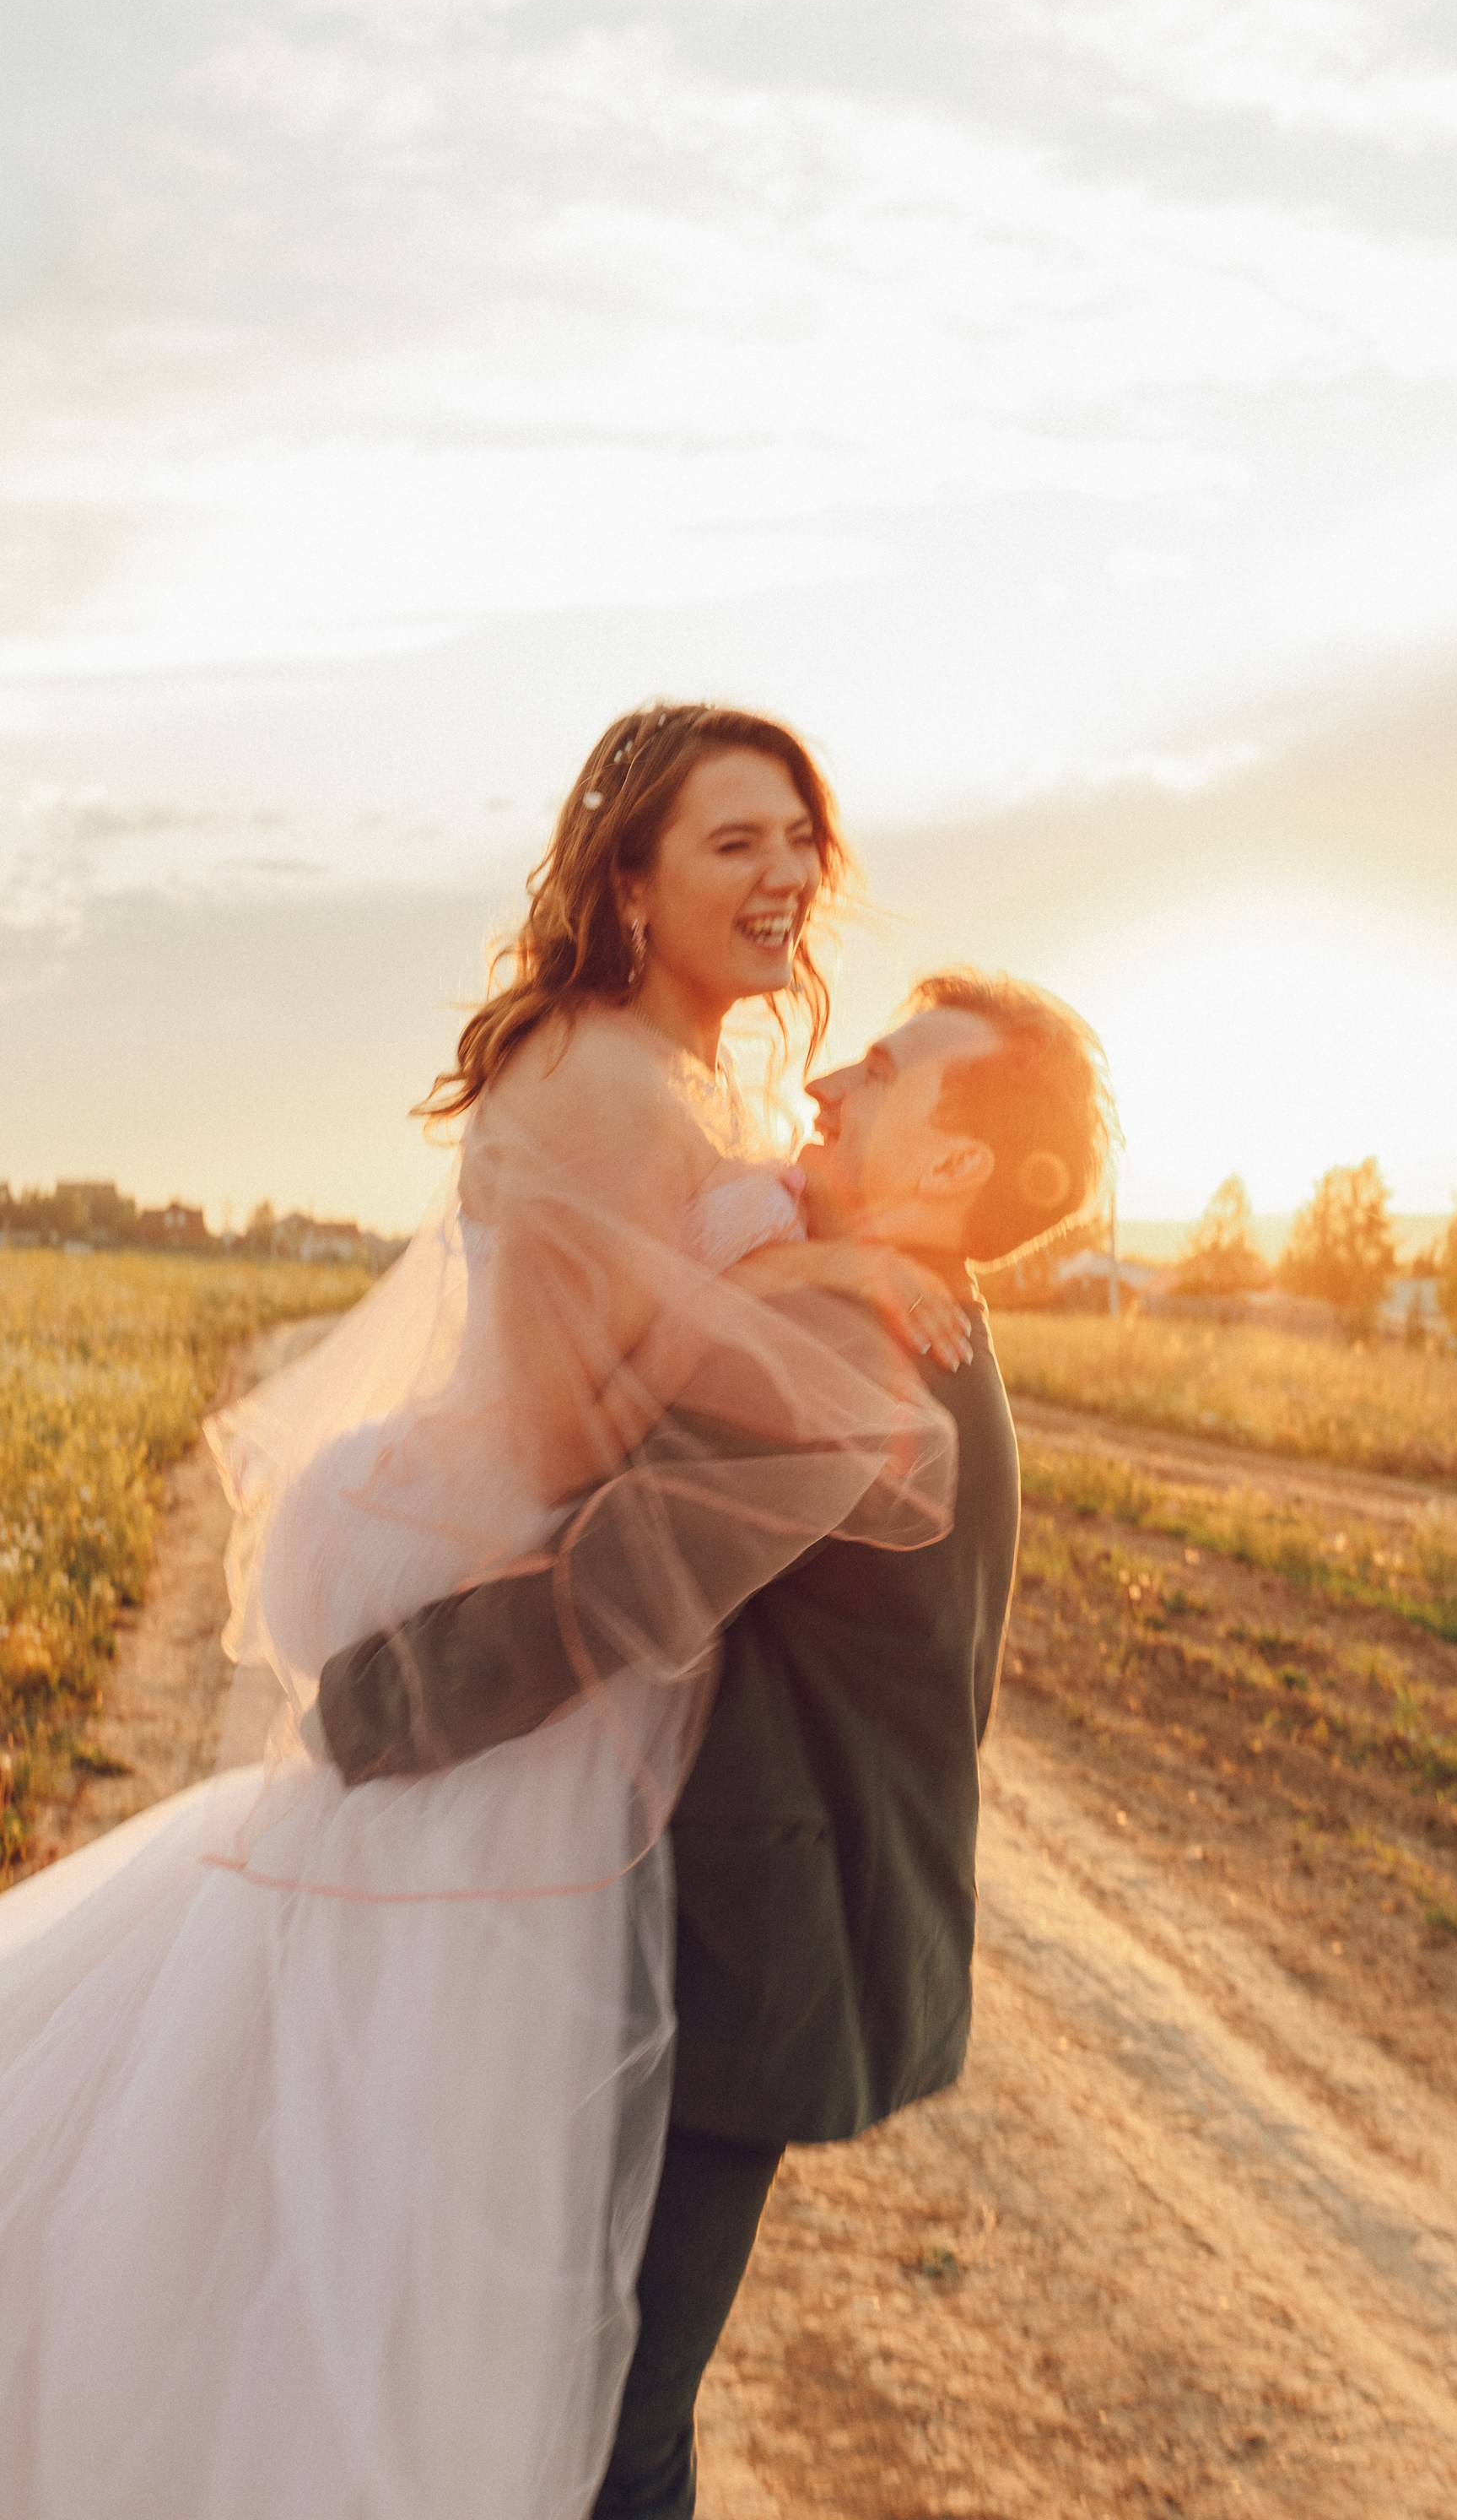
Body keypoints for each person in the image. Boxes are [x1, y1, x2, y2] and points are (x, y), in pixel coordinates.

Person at [0, 703, 977, 2520]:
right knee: (439, 2190)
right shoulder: (607, 1077)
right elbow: (550, 1425)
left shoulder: (689, 1080)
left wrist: (790, 1253)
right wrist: (804, 1275)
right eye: (731, 844)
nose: (782, 880)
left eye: (797, 843)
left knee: (405, 2150)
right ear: (629, 879)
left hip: (523, 1575)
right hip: (486, 1573)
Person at [315, 968, 1115, 2520]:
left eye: (880, 1076)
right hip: (774, 1925)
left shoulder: (869, 1367)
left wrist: (359, 1714)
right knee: (591, 2387)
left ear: (952, 1170)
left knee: (614, 2422)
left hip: (766, 1949)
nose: (824, 1089)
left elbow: (604, 1598)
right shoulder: (881, 1311)